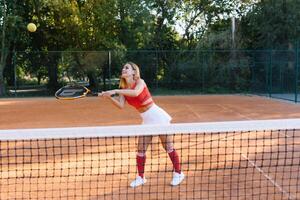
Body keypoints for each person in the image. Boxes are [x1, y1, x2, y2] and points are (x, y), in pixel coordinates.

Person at [99, 62, 185, 188]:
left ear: (134, 72)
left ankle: (178, 173)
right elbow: (121, 106)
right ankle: (141, 177)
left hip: (157, 116)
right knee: (141, 149)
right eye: (123, 68)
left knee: (168, 146)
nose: (124, 69)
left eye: (127, 68)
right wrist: (109, 97)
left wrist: (114, 91)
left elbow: (135, 93)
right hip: (146, 120)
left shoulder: (140, 82)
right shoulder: (123, 90)